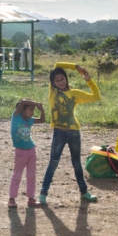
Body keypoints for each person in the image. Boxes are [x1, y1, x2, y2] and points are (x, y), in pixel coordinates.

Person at [39, 62, 101, 204]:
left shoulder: (75, 94)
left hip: (74, 132)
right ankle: (43, 194)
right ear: (53, 84)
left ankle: (84, 192)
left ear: (66, 79)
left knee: (76, 163)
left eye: (62, 79)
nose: (60, 82)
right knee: (53, 163)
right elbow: (57, 64)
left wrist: (89, 81)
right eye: (57, 80)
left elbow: (96, 96)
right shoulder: (53, 92)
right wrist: (77, 67)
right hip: (58, 133)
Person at [8, 99, 45, 209]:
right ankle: (12, 199)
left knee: (31, 175)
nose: (32, 112)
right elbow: (23, 101)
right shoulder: (16, 116)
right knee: (17, 175)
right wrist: (37, 103)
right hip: (20, 151)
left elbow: (42, 120)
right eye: (30, 109)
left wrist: (41, 109)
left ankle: (31, 199)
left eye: (33, 110)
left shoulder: (30, 120)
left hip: (31, 150)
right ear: (22, 110)